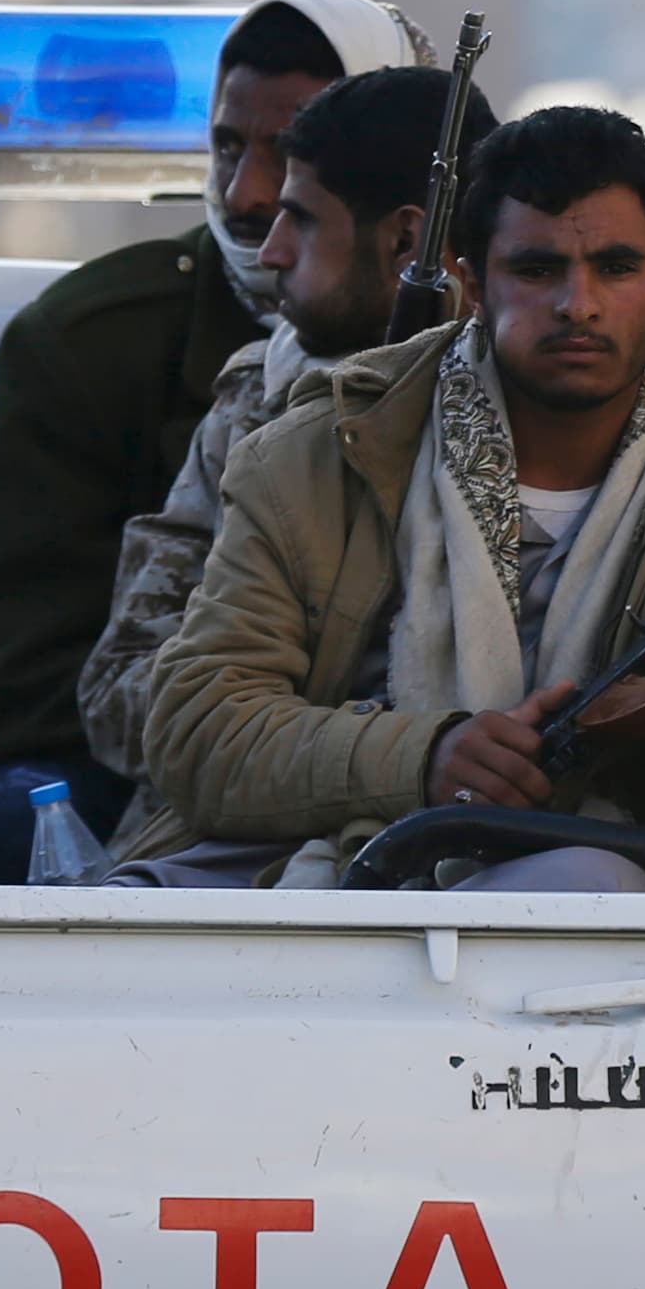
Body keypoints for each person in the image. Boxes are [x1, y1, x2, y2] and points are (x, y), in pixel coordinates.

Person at [125, 104, 645, 888]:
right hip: (336, 898)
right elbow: (199, 729)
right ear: (473, 284)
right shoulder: (326, 454)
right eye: (538, 269)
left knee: (592, 879)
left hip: (618, 934)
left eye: (616, 268)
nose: (578, 304)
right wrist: (425, 757)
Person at [0, 0, 430, 882]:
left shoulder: (522, 372)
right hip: (147, 769)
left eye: (290, 155)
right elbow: (37, 685)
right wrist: (295, 740)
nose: (251, 195)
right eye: (226, 146)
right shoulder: (129, 354)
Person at [80, 63, 497, 807]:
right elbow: (124, 691)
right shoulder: (258, 410)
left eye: (299, 218)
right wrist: (370, 742)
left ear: (409, 239)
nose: (270, 250)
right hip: (245, 853)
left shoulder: (551, 413)